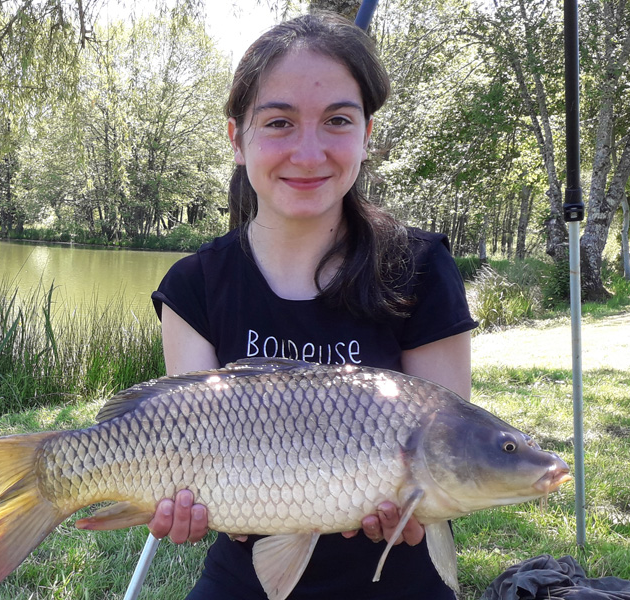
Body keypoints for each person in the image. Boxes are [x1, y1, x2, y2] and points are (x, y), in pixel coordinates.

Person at [149, 11, 477, 599]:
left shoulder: (421, 269)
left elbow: (445, 459)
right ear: (237, 139)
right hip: (244, 575)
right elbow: (187, 449)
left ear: (366, 135)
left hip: (395, 579)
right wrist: (180, 504)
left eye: (337, 121)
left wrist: (419, 509)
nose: (309, 152)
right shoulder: (194, 285)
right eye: (278, 122)